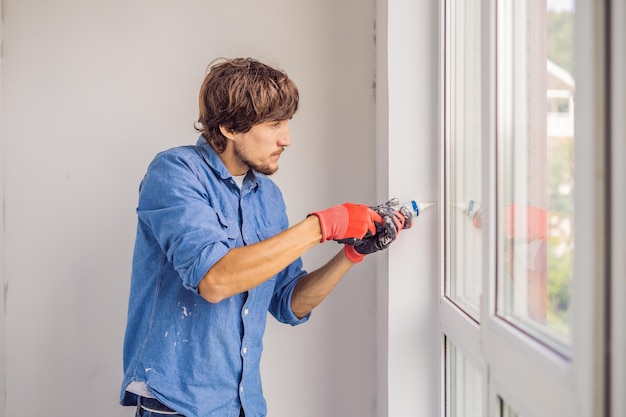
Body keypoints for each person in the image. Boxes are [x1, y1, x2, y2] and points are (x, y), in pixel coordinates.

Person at [120, 57, 411, 417]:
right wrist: (322, 226)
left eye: (287, 123)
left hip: (244, 406)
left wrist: (351, 254)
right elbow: (215, 279)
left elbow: (290, 303)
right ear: (228, 126)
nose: (286, 139)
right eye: (274, 124)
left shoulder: (267, 198)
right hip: (179, 408)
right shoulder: (175, 173)